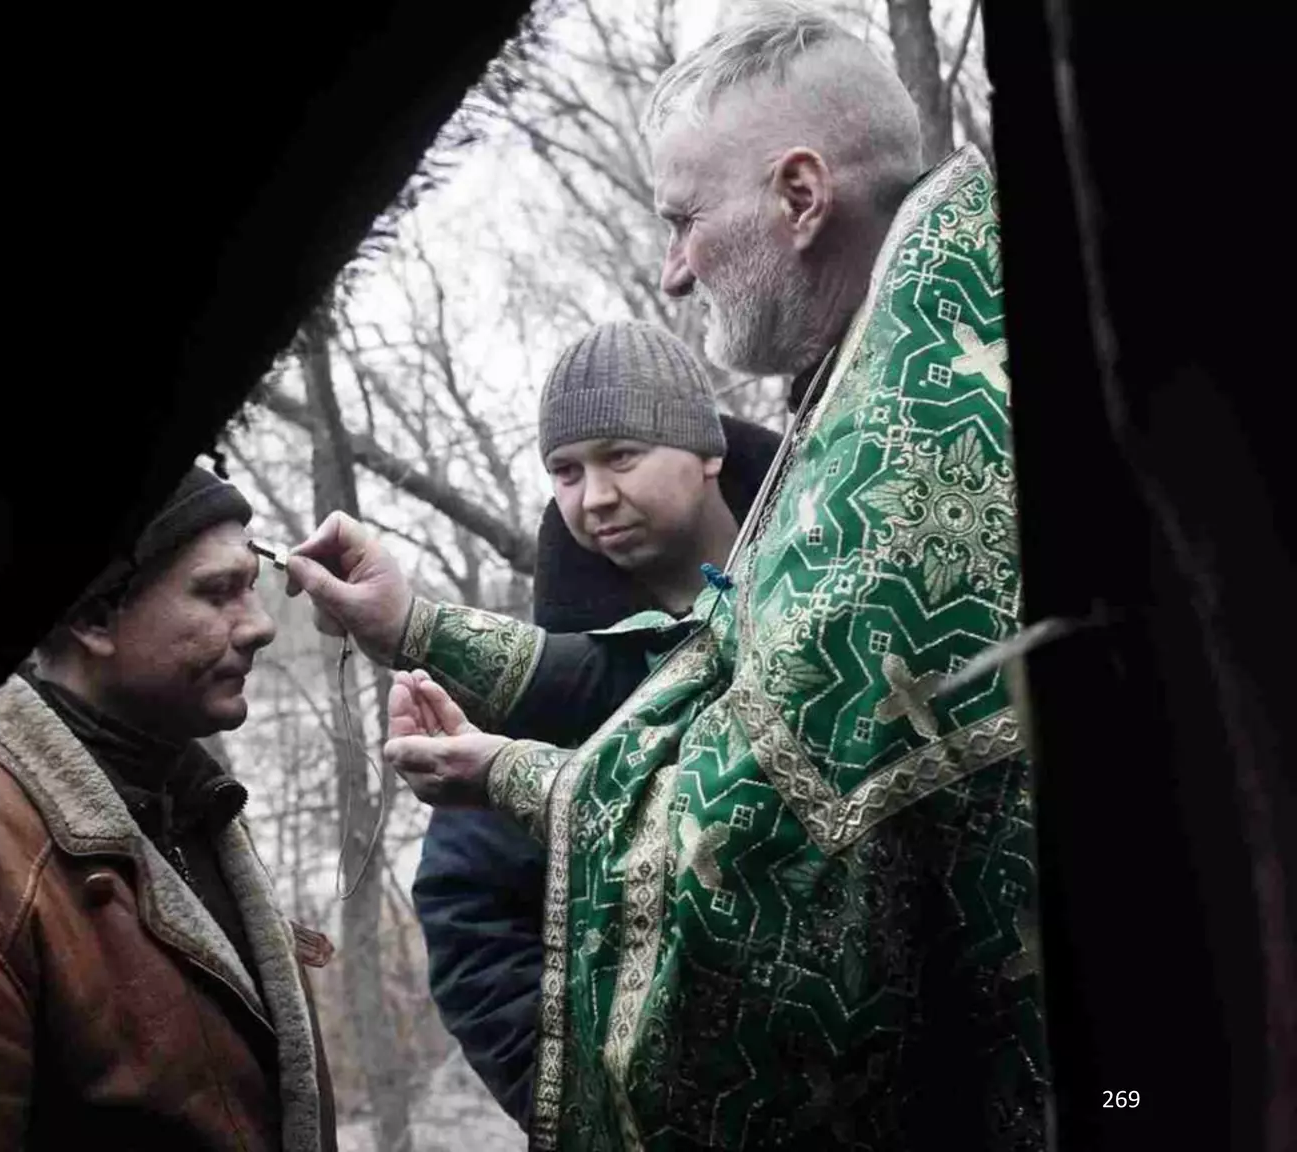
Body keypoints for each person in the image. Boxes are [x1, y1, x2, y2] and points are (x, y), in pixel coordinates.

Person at [289, 4, 1048, 1148]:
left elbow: (737, 853)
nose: (674, 270)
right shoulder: (918, 345)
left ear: (800, 196)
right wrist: (415, 625)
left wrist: (501, 775)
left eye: (685, 219)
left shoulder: (892, 464)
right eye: (562, 469)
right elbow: (707, 670)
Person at [0, 465, 337, 1152]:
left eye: (251, 586)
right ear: (94, 616)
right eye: (218, 591)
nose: (258, 627)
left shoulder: (183, 800)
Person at [402, 319, 782, 1129]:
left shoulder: (833, 575)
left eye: (621, 456)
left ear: (706, 450)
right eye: (565, 471)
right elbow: (468, 912)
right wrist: (581, 1103)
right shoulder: (530, 681)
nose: (594, 497)